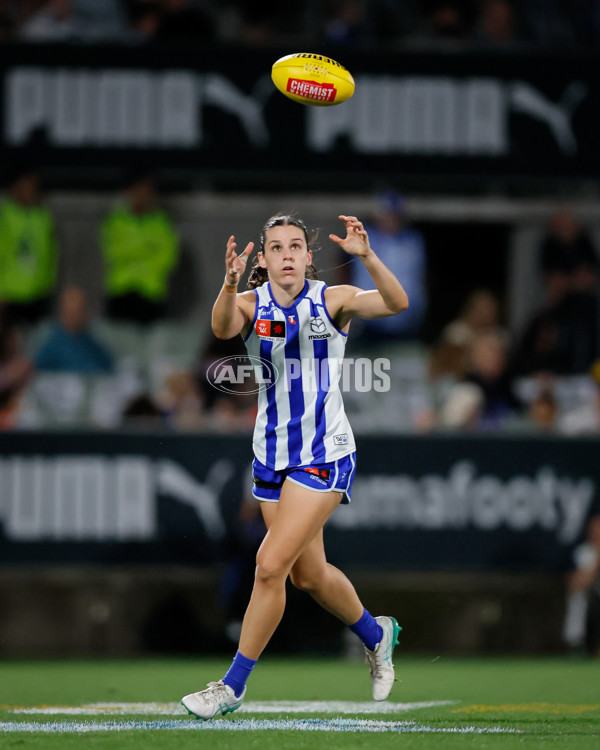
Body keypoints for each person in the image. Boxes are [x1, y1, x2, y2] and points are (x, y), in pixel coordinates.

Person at [181, 213, 408, 719]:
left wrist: (367, 256)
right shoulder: (248, 301)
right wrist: (229, 282)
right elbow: (221, 327)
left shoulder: (332, 300)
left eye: (296, 246)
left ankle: (232, 686)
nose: (287, 255)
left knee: (268, 566)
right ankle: (377, 633)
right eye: (276, 247)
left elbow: (397, 303)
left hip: (325, 453)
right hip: (272, 458)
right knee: (309, 575)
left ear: (309, 256)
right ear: (263, 258)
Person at [342, 190, 427, 347]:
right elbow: (344, 271)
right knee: (368, 364)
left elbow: (419, 277)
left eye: (393, 214)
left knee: (402, 362)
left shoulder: (413, 239)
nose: (389, 218)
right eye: (385, 213)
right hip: (368, 318)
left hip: (405, 318)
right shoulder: (363, 237)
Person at [100, 172, 179, 324]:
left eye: (145, 192)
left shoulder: (162, 223)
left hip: (151, 294)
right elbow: (112, 252)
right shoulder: (115, 221)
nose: (141, 196)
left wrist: (132, 251)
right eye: (137, 191)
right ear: (129, 192)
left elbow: (168, 258)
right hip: (120, 291)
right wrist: (147, 250)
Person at [0, 168, 59, 325]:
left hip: (39, 295)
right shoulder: (5, 215)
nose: (30, 191)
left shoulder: (43, 216)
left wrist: (49, 287)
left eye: (33, 186)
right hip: (10, 295)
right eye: (26, 186)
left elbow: (50, 253)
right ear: (15, 187)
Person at [33, 285, 114, 373]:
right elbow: (37, 371)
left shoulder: (90, 342)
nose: (77, 317)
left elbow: (108, 366)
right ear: (62, 313)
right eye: (72, 312)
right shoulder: (52, 344)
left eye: (81, 310)